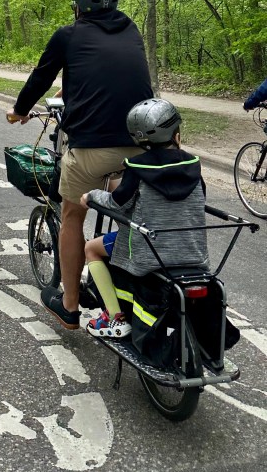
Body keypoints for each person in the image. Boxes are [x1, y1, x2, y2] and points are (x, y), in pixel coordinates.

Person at [7, 0, 153, 329]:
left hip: (92, 148)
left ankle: (70, 306)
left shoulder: (68, 35)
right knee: (132, 209)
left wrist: (20, 111)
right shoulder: (132, 31)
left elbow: (41, 77)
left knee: (73, 215)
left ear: (78, 8)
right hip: (142, 148)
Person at [81, 98, 208, 338]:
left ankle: (114, 317)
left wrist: (91, 196)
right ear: (176, 135)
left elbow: (117, 202)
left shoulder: (137, 168)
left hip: (147, 251)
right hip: (191, 251)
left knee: (92, 249)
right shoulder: (194, 166)